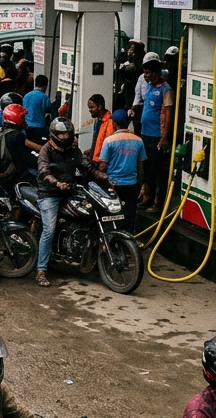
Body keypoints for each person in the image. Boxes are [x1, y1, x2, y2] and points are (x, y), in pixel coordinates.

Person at [35, 117, 99, 288]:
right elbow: (43, 171)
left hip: (70, 191)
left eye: (67, 133)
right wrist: (56, 182)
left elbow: (84, 164)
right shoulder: (46, 150)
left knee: (91, 217)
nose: (64, 136)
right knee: (49, 229)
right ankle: (41, 270)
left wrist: (98, 174)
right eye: (61, 133)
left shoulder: (73, 149)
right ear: (54, 134)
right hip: (49, 193)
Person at [98, 110, 147, 232]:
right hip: (131, 184)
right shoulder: (138, 140)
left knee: (111, 216)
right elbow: (141, 167)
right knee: (129, 215)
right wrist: (140, 183)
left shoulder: (109, 141)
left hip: (113, 185)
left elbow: (103, 166)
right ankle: (128, 240)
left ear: (114, 123)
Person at [135, 59, 173, 208]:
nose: (145, 75)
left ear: (156, 73)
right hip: (146, 133)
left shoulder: (166, 89)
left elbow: (169, 114)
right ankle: (146, 196)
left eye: (148, 72)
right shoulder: (149, 87)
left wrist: (164, 137)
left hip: (157, 135)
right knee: (146, 166)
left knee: (157, 169)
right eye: (144, 72)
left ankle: (158, 202)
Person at [23, 74, 51, 143]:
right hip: (40, 127)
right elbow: (49, 111)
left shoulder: (26, 96)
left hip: (27, 126)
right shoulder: (44, 97)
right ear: (45, 86)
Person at [86, 93, 114, 162]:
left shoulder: (110, 122)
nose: (90, 110)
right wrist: (92, 151)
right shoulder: (98, 121)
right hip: (96, 160)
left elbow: (109, 145)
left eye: (92, 107)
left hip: (103, 162)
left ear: (100, 107)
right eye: (89, 107)